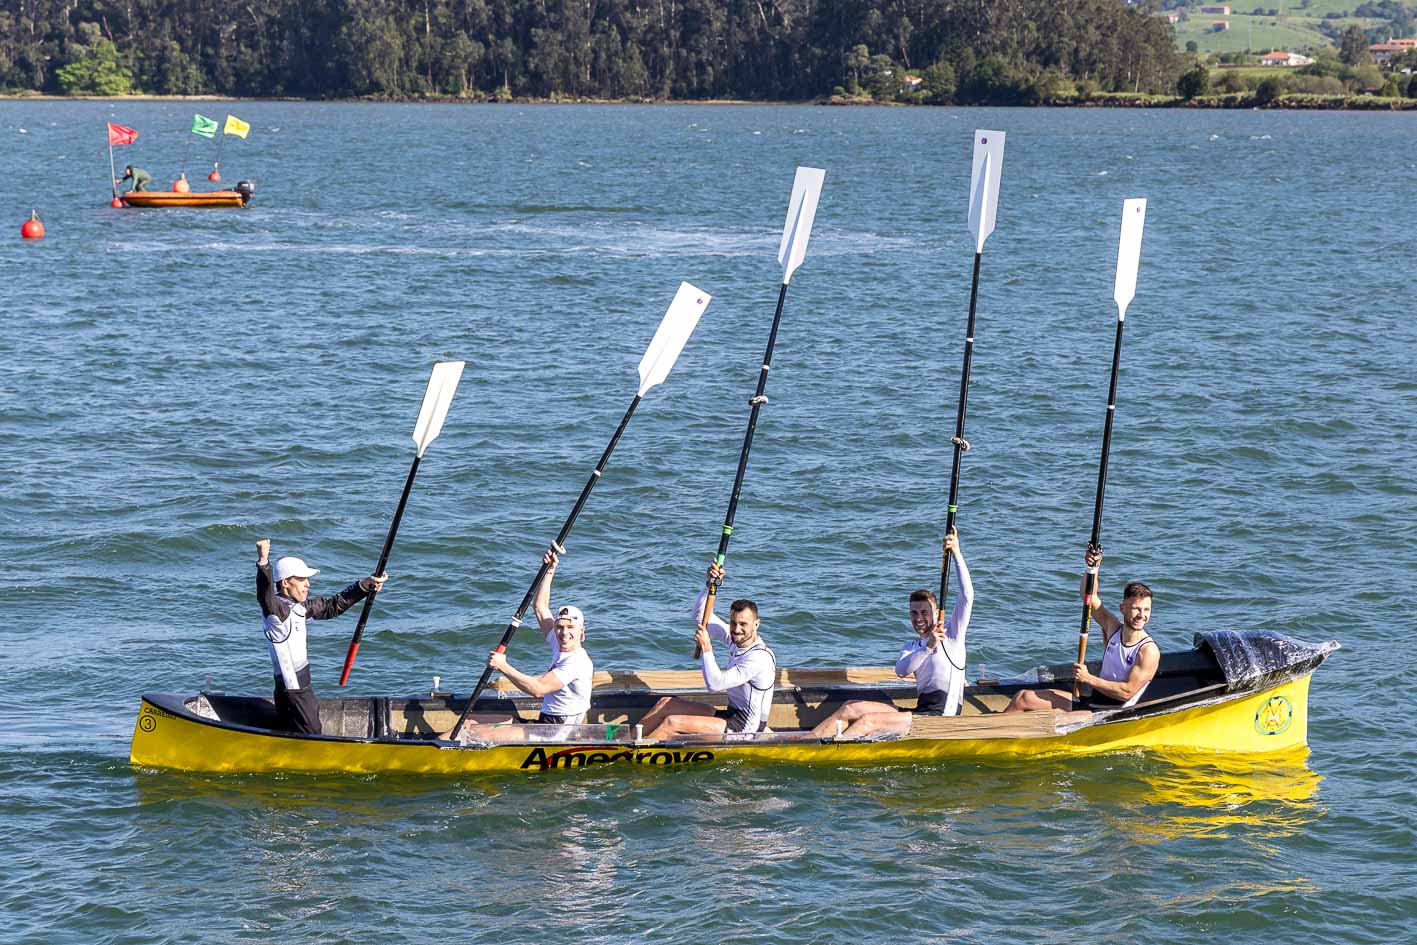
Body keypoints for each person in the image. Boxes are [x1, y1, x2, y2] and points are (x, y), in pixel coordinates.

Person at [809, 530, 973, 739]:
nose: (919, 618)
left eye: (924, 612)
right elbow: (902, 671)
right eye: (914, 613)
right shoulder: (911, 647)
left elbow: (967, 596)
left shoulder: (953, 636)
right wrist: (928, 646)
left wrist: (957, 553)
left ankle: (834, 750)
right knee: (852, 707)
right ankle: (807, 740)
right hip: (921, 712)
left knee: (868, 721)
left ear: (936, 611)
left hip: (940, 720)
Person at [441, 550, 594, 742]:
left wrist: (502, 666)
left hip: (556, 733)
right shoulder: (560, 642)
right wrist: (549, 571)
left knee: (471, 732)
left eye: (570, 628)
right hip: (545, 723)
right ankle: (428, 747)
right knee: (468, 722)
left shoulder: (576, 662)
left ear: (582, 631)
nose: (564, 633)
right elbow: (540, 608)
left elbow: (538, 689)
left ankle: (427, 754)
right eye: (560, 627)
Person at [1003, 547, 1159, 713]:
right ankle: (989, 733)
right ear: (1123, 608)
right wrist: (1093, 567)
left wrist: (1088, 678)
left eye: (1146, 610)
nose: (1141, 615)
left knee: (1041, 711)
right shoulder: (1113, 627)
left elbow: (1127, 692)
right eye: (1136, 609)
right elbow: (1089, 597)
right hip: (1093, 699)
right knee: (1022, 698)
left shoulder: (1148, 650)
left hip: (1108, 712)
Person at [255, 538, 387, 734]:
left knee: (289, 729)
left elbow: (333, 606)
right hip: (295, 690)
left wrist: (364, 586)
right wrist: (263, 562)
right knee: (312, 732)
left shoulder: (299, 607)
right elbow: (264, 595)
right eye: (301, 580)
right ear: (285, 583)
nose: (308, 584)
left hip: (295, 688)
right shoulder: (276, 612)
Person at [639, 563, 777, 740]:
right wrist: (710, 584)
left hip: (745, 729)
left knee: (672, 723)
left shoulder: (758, 659)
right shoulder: (736, 638)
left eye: (744, 624)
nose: (736, 629)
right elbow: (699, 615)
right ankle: (626, 741)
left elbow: (715, 684)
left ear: (756, 624)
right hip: (730, 714)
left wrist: (706, 648)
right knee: (665, 703)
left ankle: (635, 754)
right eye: (734, 623)